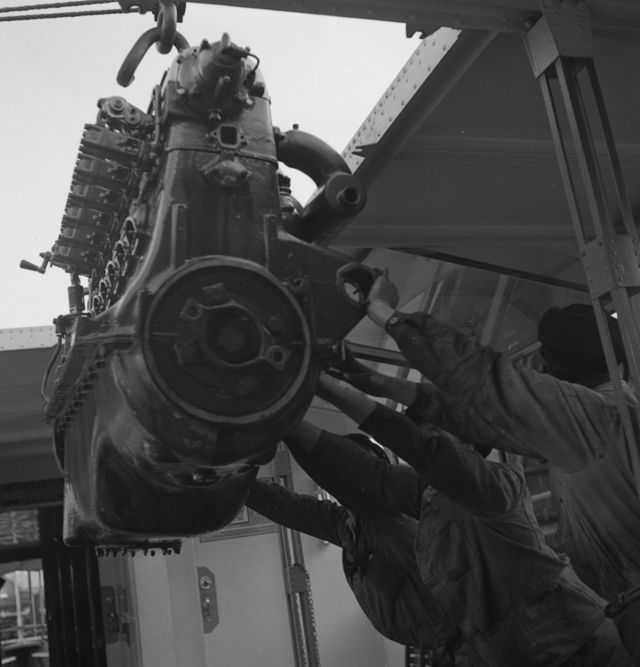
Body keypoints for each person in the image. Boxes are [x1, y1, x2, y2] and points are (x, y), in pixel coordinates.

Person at [355, 271, 640, 660]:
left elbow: (488, 382)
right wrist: (382, 385)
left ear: (552, 371)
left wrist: (386, 314)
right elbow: (480, 419)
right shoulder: (592, 426)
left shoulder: (594, 417)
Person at [316, 372, 633, 666]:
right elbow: (373, 477)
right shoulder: (429, 509)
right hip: (525, 653)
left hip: (576, 644)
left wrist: (327, 386)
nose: (420, 445)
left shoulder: (493, 486)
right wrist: (297, 427)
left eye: (430, 433)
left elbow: (403, 463)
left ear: (461, 438)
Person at [245, 423, 475, 665]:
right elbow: (292, 509)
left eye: (351, 463)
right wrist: (238, 486)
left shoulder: (394, 516)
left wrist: (286, 426)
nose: (345, 473)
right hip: (444, 647)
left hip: (466, 637)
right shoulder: (350, 526)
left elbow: (339, 479)